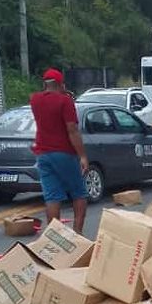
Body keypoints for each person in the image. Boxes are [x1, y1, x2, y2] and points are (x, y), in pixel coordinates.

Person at [29, 68, 89, 233]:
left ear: (44, 84)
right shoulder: (65, 101)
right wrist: (82, 156)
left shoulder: (34, 100)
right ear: (61, 85)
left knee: (52, 196)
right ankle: (77, 234)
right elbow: (72, 130)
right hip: (64, 153)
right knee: (79, 193)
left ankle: (55, 237)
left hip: (42, 154)